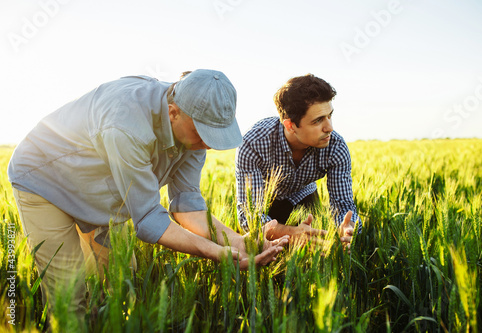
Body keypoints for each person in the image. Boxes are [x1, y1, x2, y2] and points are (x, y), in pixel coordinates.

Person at [8, 69, 289, 320]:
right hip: (44, 180)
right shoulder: (126, 124)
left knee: (122, 281)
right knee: (69, 293)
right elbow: (147, 218)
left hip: (103, 192)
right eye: (202, 132)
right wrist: (215, 252)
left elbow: (187, 206)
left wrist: (239, 242)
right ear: (172, 112)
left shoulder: (194, 134)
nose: (208, 144)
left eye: (215, 134)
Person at [235, 74, 361, 244]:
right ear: (290, 125)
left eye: (330, 115)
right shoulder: (253, 143)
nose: (329, 127)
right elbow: (250, 216)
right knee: (260, 245)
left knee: (313, 249)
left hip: (305, 197)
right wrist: (292, 233)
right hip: (265, 201)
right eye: (318, 121)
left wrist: (347, 226)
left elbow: (343, 204)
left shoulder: (336, 147)